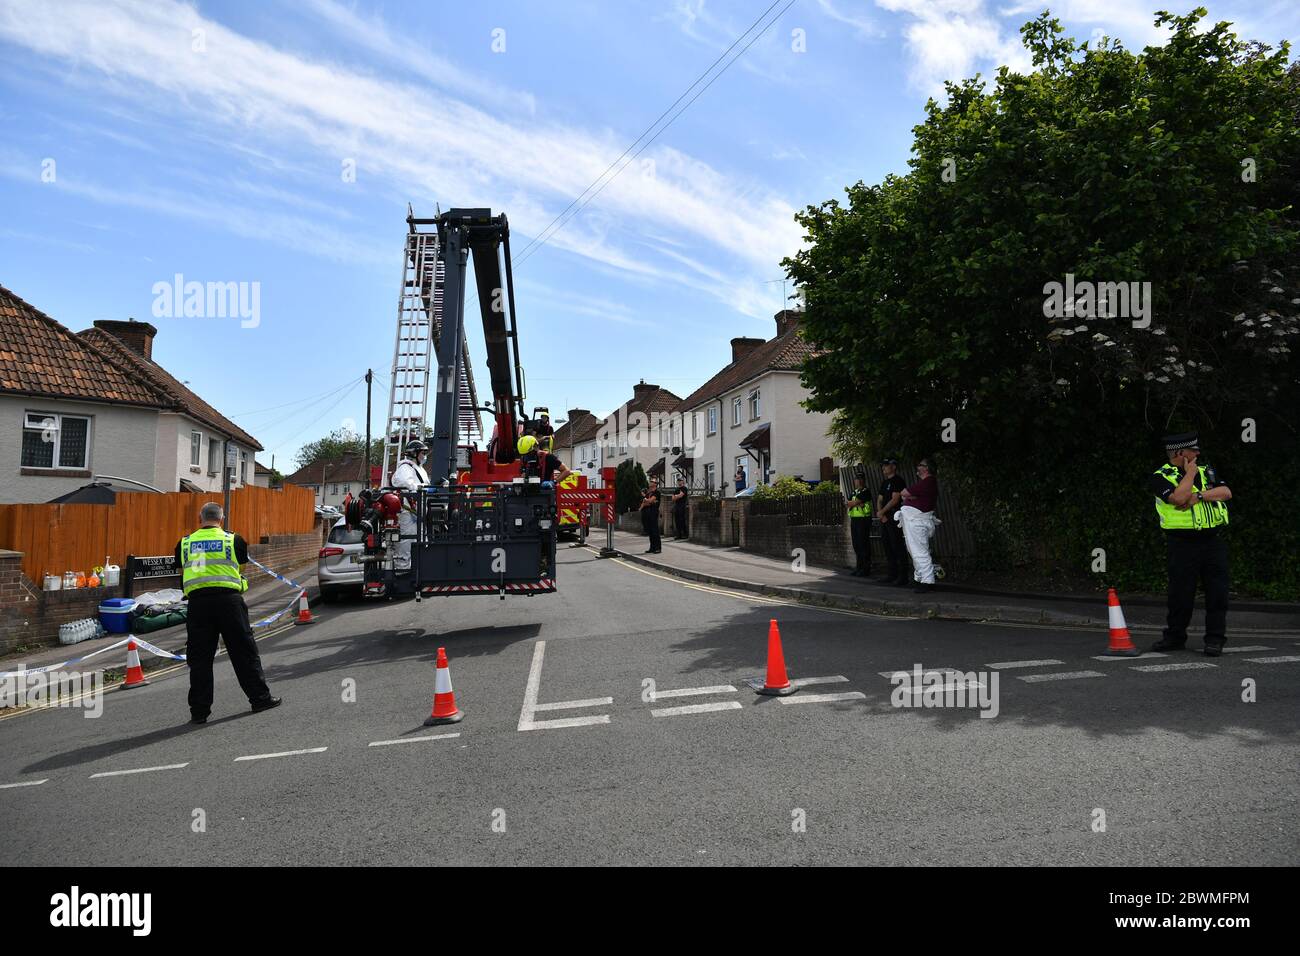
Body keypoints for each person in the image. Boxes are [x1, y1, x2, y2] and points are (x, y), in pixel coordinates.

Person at [176, 503, 280, 724]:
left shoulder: (184, 543)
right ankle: (260, 699)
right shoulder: (234, 540)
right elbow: (240, 569)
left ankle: (199, 712)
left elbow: (181, 572)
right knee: (244, 652)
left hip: (198, 605)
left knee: (200, 659)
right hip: (229, 603)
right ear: (222, 519)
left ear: (199, 518)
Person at [1149, 432, 1232, 656]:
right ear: (1179, 453)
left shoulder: (1208, 471)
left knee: (1217, 593)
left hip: (1212, 542)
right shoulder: (1161, 476)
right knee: (1180, 595)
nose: (1197, 453)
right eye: (1193, 450)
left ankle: (1215, 639)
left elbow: (1225, 492)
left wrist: (1200, 496)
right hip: (1182, 544)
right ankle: (1175, 638)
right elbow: (1177, 498)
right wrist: (1190, 474)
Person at [899, 458, 939, 592]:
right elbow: (907, 495)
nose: (917, 467)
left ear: (926, 468)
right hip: (915, 521)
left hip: (917, 522)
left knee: (919, 551)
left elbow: (904, 493)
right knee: (915, 550)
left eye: (920, 465)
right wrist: (912, 497)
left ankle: (927, 581)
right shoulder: (927, 483)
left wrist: (911, 497)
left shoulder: (928, 482)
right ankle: (920, 578)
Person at [390, 439, 430, 571]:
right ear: (414, 454)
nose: (424, 455)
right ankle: (403, 571)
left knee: (420, 540)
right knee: (407, 542)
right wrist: (423, 487)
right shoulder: (405, 468)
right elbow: (404, 484)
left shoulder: (418, 469)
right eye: (422, 452)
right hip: (408, 512)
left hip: (418, 512)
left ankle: (420, 569)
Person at [877, 458, 909, 585]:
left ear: (893, 466)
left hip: (894, 516)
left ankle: (903, 576)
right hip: (884, 518)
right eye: (883, 466)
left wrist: (883, 512)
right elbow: (879, 498)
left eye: (886, 465)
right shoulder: (885, 483)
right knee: (887, 545)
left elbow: (895, 499)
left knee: (897, 545)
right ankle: (892, 573)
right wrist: (880, 514)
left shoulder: (898, 481)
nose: (883, 468)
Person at [845, 472, 872, 577]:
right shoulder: (854, 492)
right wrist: (856, 503)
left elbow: (853, 503)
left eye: (860, 478)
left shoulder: (866, 491)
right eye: (857, 479)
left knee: (863, 544)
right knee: (856, 545)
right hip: (855, 519)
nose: (858, 481)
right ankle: (859, 567)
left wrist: (855, 502)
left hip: (863, 520)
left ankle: (866, 569)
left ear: (864, 480)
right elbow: (848, 503)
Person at [639, 479, 662, 553]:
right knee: (650, 531)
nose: (649, 483)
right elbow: (644, 503)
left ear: (655, 484)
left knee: (655, 531)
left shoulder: (657, 492)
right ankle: (652, 547)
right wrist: (648, 501)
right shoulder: (649, 493)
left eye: (651, 482)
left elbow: (649, 501)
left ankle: (658, 548)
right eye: (650, 482)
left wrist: (646, 499)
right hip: (648, 513)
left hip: (653, 512)